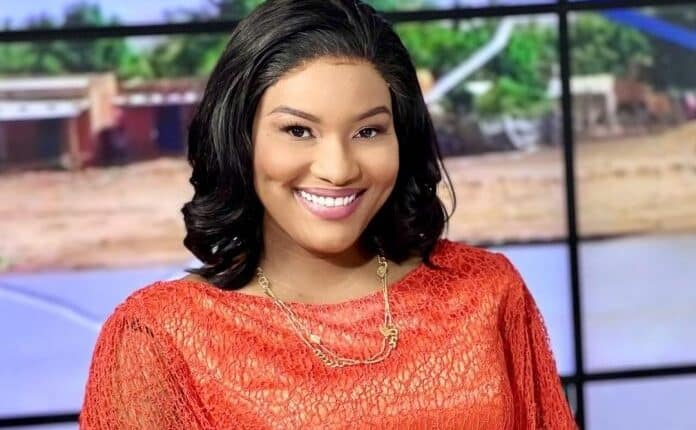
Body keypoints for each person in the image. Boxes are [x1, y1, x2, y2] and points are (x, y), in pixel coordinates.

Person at [79, 0, 577, 428]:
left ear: (401, 137)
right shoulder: (159, 337)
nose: (338, 169)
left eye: (368, 131)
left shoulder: (486, 292)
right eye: (298, 131)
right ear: (240, 139)